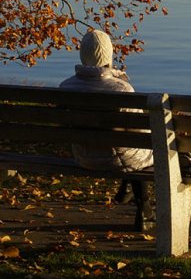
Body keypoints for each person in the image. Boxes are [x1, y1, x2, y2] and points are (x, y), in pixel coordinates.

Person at [59, 29, 155, 231]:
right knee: (139, 149)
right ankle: (145, 210)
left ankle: (127, 187)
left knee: (125, 147)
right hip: (117, 159)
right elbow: (138, 133)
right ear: (109, 55)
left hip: (83, 156)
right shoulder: (121, 89)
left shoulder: (66, 87)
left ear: (82, 54)